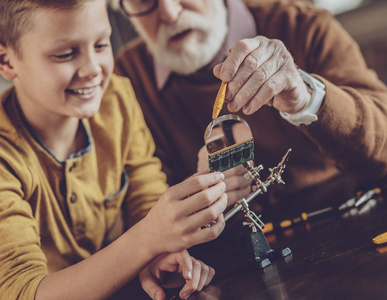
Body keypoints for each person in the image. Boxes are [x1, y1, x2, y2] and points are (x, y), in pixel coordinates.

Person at [0, 1, 228, 299]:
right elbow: (23, 292)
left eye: (101, 44)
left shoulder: (117, 99)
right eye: (65, 54)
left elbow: (145, 201)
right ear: (6, 62)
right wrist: (148, 241)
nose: (93, 69)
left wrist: (161, 255)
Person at [112, 0, 387, 209]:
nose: (168, 12)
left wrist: (308, 98)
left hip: (355, 224)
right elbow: (145, 211)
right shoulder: (125, 80)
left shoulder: (301, 26)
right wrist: (197, 198)